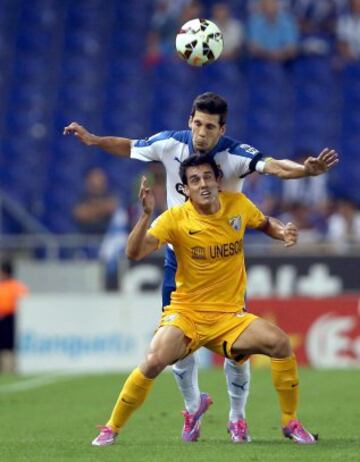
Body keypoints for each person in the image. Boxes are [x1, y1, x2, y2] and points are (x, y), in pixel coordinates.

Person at [64, 92, 338, 443]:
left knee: (239, 352)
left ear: (222, 129)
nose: (202, 133)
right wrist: (93, 140)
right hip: (177, 257)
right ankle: (193, 406)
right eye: (197, 124)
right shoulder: (169, 146)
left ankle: (237, 417)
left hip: (222, 262)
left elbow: (274, 167)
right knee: (171, 352)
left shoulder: (235, 159)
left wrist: (304, 172)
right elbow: (128, 146)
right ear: (189, 121)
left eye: (210, 127)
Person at [92, 155, 317, 446]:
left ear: (218, 181)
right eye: (195, 180)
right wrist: (145, 214)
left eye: (208, 177)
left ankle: (290, 421)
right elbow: (134, 253)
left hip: (229, 317)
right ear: (185, 189)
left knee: (281, 343)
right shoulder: (174, 218)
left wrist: (282, 231)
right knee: (153, 361)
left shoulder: (238, 205)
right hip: (187, 314)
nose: (203, 184)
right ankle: (112, 427)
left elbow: (264, 223)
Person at [0, 261, 28, 373]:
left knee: (8, 345)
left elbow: (23, 303)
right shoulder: (15, 286)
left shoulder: (14, 287)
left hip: (10, 318)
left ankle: (9, 368)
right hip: (6, 318)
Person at [72, 167, 117, 235]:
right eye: (94, 178)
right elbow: (81, 214)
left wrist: (93, 209)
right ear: (87, 181)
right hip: (85, 238)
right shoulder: (80, 197)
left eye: (100, 178)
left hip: (108, 238)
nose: (98, 182)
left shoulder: (111, 195)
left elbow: (112, 208)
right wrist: (101, 209)